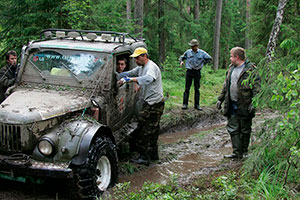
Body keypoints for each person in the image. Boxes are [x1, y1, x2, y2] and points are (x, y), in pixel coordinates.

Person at [118, 47, 164, 165]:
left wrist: (131, 80)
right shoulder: (141, 67)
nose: (136, 60)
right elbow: (130, 72)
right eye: (135, 58)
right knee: (152, 129)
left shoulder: (151, 67)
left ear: (144, 56)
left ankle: (144, 157)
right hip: (149, 102)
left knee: (146, 130)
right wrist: (119, 75)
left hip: (155, 104)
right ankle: (153, 155)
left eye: (138, 58)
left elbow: (148, 79)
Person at [216, 47, 260, 159]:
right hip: (231, 103)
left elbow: (256, 88)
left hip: (245, 104)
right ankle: (236, 152)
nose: (230, 59)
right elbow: (226, 85)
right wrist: (220, 99)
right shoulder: (231, 68)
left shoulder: (250, 69)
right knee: (232, 128)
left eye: (231, 56)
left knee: (245, 129)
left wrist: (253, 103)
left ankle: (244, 152)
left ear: (237, 57)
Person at [179, 39, 212, 110]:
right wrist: (181, 61)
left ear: (196, 46)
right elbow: (182, 57)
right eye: (191, 46)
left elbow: (209, 58)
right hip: (189, 71)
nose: (192, 47)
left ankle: (197, 105)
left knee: (197, 89)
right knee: (187, 88)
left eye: (193, 46)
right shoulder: (188, 52)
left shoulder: (202, 53)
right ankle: (185, 104)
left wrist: (203, 62)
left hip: (197, 72)